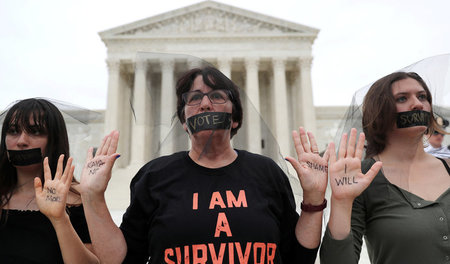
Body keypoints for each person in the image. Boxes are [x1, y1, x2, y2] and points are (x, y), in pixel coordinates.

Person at [80, 66, 328, 263]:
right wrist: (93, 197)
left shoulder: (266, 173)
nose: (206, 104)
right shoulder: (154, 177)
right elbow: (122, 260)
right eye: (195, 98)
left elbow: (298, 257)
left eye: (217, 96)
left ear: (235, 120)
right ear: (185, 122)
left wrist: (314, 198)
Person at [319, 72, 450, 263]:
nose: (417, 104)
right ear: (380, 111)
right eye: (402, 98)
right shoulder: (362, 178)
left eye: (422, 97)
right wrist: (341, 202)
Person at [0, 98, 99, 263]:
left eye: (35, 131)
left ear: (54, 140)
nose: (21, 141)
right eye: (13, 131)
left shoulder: (77, 200)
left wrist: (60, 220)